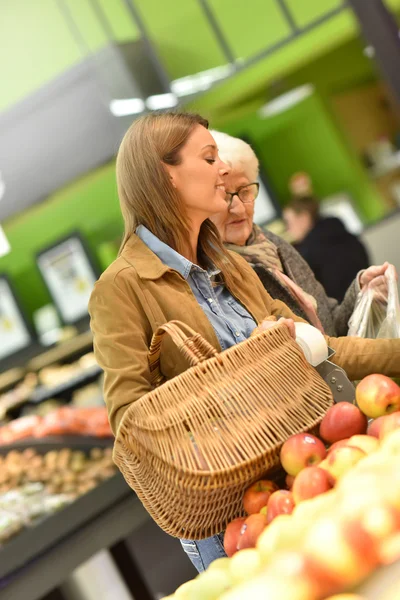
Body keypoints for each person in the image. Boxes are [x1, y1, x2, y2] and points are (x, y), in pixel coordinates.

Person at [88, 112, 400, 574]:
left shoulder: (227, 263)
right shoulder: (120, 289)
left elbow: (319, 347)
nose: (221, 170)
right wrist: (241, 369)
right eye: (209, 157)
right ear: (166, 174)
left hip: (298, 478)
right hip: (231, 520)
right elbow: (130, 422)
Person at [209, 130, 390, 336]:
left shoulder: (275, 244)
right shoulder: (214, 277)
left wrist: (361, 291)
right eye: (224, 197)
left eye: (244, 192)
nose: (240, 208)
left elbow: (329, 322)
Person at [283, 196, 370, 303]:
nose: (288, 229)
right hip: (371, 300)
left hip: (344, 313)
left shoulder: (308, 253)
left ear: (304, 218)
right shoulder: (347, 236)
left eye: (288, 222)